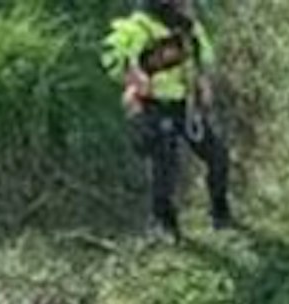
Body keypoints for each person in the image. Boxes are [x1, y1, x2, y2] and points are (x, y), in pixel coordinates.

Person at [101, 0, 235, 238]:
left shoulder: (189, 27)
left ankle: (220, 211)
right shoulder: (138, 27)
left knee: (218, 155)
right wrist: (131, 73)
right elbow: (112, 54)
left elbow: (204, 55)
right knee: (165, 164)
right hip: (155, 106)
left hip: (186, 106)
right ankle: (163, 221)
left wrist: (203, 80)